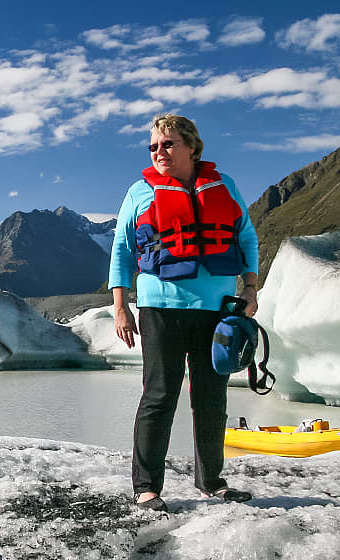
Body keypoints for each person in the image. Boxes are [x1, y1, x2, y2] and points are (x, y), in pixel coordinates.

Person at [108, 114, 258, 512]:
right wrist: (121, 306)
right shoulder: (139, 192)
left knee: (212, 398)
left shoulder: (224, 187)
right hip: (160, 309)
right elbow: (123, 251)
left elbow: (245, 236)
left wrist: (251, 288)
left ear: (192, 147)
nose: (160, 152)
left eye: (168, 144)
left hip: (216, 311)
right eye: (154, 147)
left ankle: (211, 481)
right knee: (159, 396)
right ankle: (147, 487)